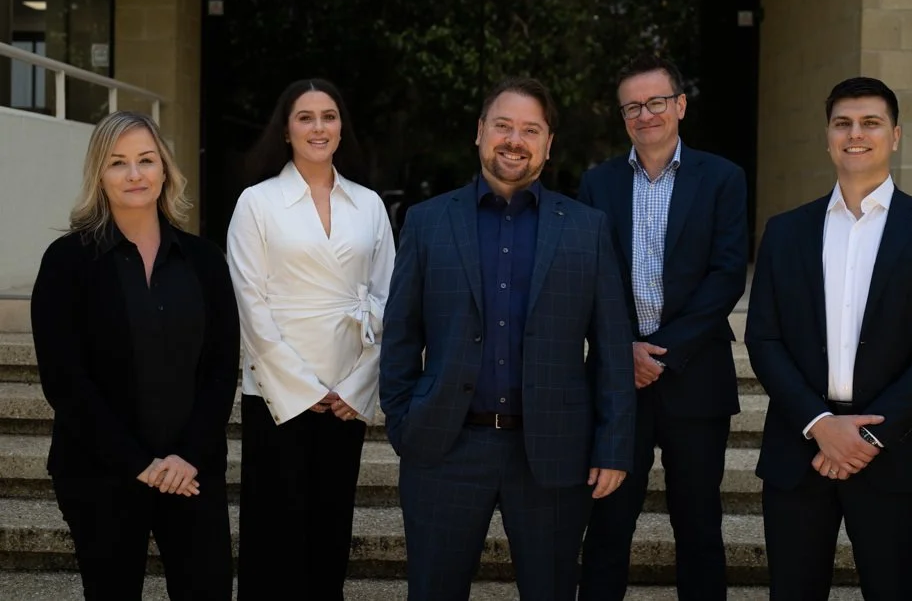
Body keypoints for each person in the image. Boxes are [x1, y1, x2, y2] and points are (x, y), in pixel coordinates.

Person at [380, 77, 635, 601]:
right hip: (446, 448)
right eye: (503, 126)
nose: (514, 140)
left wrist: (612, 445)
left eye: (530, 129)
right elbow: (401, 334)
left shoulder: (587, 229)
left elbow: (612, 349)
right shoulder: (428, 223)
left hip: (552, 454)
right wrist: (405, 422)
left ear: (548, 143)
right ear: (479, 133)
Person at [744, 77, 912, 599]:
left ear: (894, 136)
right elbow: (764, 339)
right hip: (801, 450)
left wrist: (869, 436)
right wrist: (820, 423)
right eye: (842, 123)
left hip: (895, 454)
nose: (855, 134)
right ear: (827, 136)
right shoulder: (784, 231)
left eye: (870, 122)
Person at [31, 111, 239, 599]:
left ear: (165, 169)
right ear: (99, 176)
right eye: (117, 163)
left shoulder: (204, 260)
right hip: (100, 473)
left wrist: (186, 457)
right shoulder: (67, 262)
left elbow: (220, 367)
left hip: (191, 472)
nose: (134, 174)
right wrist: (139, 464)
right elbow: (64, 380)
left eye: (146, 160)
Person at [578, 53, 749, 601]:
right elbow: (587, 278)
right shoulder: (598, 183)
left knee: (698, 523)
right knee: (607, 524)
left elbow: (726, 276)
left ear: (679, 105)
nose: (645, 114)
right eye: (633, 106)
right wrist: (622, 348)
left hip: (696, 378)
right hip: (616, 381)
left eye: (655, 102)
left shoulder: (723, 178)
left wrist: (662, 352)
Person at [227, 78, 395, 599]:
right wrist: (304, 390)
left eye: (329, 116)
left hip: (345, 397)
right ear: (285, 130)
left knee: (329, 533)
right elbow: (250, 306)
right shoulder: (256, 203)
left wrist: (356, 387)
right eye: (306, 117)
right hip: (279, 395)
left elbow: (390, 298)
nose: (318, 127)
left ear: (342, 128)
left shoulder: (369, 204)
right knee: (272, 536)